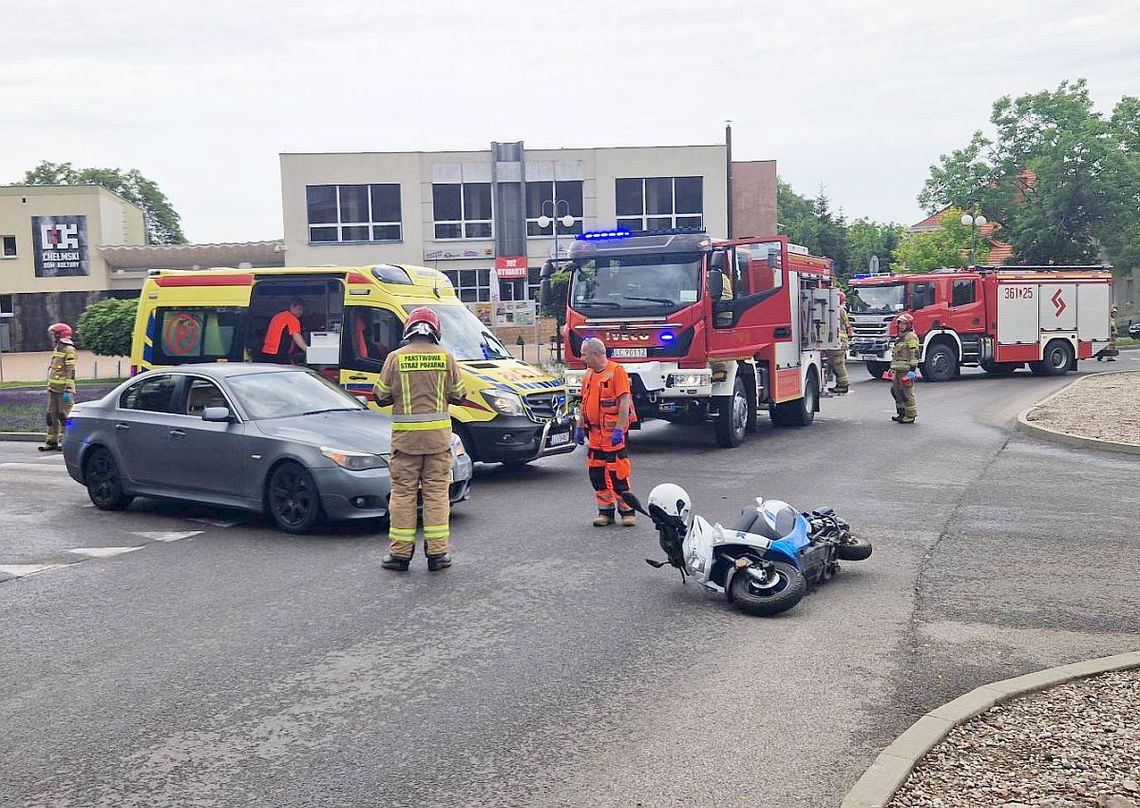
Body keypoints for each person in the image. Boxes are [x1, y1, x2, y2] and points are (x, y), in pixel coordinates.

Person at [374, 308, 465, 572]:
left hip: (406, 442)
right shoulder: (446, 357)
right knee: (437, 494)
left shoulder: (395, 358)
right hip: (438, 441)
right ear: (435, 331)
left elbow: (380, 395)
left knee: (403, 495)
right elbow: (459, 395)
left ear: (408, 330)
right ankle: (438, 554)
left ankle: (400, 555)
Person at [574, 337, 637, 527]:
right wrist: (579, 426)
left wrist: (619, 429)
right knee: (597, 474)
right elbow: (584, 402)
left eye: (584, 354)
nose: (581, 357)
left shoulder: (616, 372)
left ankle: (627, 512)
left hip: (612, 435)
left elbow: (624, 402)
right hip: (595, 435)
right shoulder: (589, 374)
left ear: (595, 354)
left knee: (618, 473)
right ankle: (605, 512)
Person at [40, 323, 77, 452]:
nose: (53, 337)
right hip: (53, 390)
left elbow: (70, 371)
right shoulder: (57, 349)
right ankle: (51, 442)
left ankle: (68, 441)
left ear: (61, 335)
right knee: (51, 416)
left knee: (66, 417)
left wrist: (68, 389)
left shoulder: (69, 350)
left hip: (64, 391)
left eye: (55, 334)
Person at [889, 312, 920, 424]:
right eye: (900, 324)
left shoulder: (911, 337)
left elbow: (915, 353)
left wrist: (912, 370)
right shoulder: (899, 338)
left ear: (909, 325)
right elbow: (896, 355)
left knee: (906, 392)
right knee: (896, 391)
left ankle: (910, 415)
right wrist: (891, 368)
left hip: (906, 370)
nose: (901, 326)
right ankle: (901, 413)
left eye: (904, 324)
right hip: (898, 370)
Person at [261, 297, 309, 363]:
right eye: (299, 309)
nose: (301, 312)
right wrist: (308, 350)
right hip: (279, 353)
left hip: (266, 352)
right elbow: (296, 337)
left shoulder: (278, 316)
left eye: (303, 310)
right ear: (292, 307)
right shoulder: (292, 319)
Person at [828, 291, 854, 395]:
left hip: (840, 341)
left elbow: (846, 325)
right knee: (836, 363)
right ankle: (840, 385)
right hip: (839, 340)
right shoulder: (840, 310)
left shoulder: (840, 310)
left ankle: (843, 386)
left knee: (838, 364)